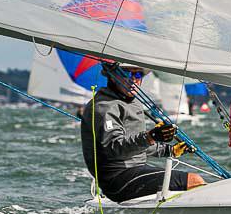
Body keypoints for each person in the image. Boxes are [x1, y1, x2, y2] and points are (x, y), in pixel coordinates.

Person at [80, 63, 205, 202]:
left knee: (196, 183)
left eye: (138, 74)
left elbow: (136, 146)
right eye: (126, 74)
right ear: (112, 76)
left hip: (135, 172)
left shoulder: (133, 103)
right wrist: (151, 136)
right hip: (117, 180)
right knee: (195, 181)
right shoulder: (104, 107)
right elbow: (115, 148)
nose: (133, 79)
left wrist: (170, 150)